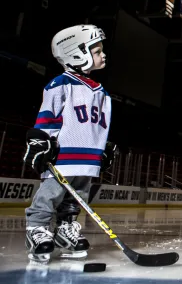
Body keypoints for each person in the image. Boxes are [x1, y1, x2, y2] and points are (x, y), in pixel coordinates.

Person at [22, 25, 118, 262]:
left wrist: (102, 149)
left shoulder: (102, 93)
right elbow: (48, 116)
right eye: (97, 51)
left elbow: (98, 126)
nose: (103, 55)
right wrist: (42, 142)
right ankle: (37, 229)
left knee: (77, 199)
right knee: (50, 194)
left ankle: (65, 230)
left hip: (87, 160)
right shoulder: (61, 84)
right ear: (77, 53)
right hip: (63, 156)